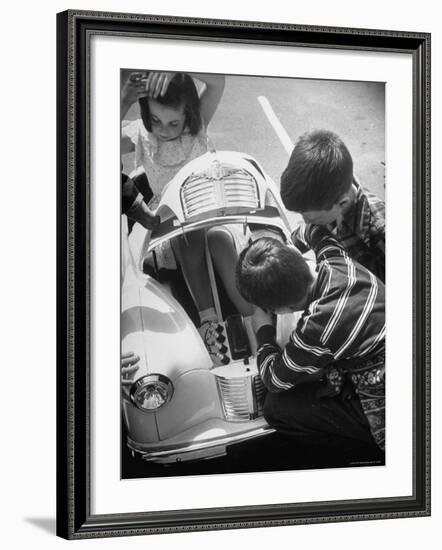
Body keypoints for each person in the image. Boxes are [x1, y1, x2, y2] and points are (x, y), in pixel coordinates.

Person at [121, 71, 254, 365]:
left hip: (212, 209)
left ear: (188, 115)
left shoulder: (198, 126)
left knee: (220, 240)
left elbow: (218, 81)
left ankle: (254, 320)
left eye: (173, 123)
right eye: (155, 120)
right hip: (173, 222)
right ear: (145, 113)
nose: (164, 130)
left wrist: (171, 64)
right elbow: (91, 137)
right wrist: (123, 97)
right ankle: (209, 324)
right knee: (188, 238)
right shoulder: (140, 135)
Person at [236, 227, 386, 452]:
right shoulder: (336, 258)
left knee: (276, 409)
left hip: (388, 396)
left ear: (279, 309)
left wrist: (264, 332)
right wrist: (284, 248)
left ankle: (359, 454)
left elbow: (274, 379)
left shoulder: (316, 329)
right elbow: (313, 230)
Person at [280, 129, 385, 282]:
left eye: (309, 218)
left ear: (342, 203)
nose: (307, 223)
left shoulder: (381, 233)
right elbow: (304, 233)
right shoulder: (327, 198)